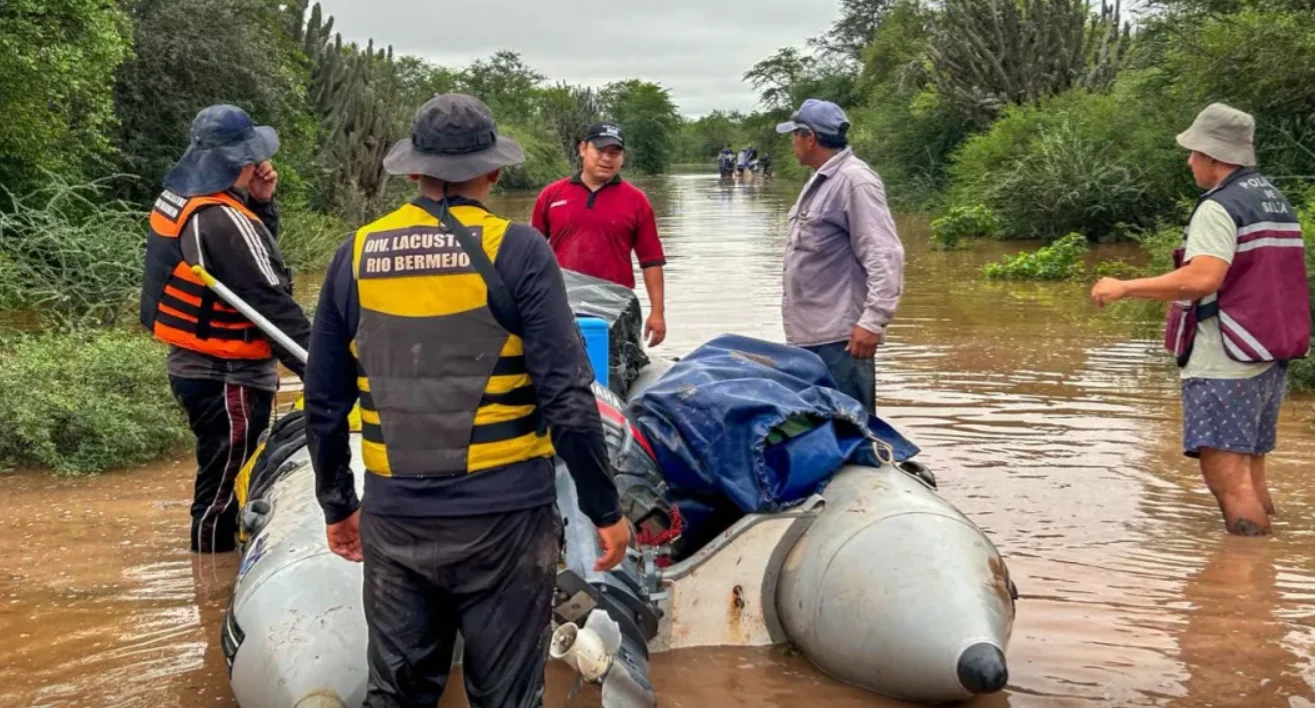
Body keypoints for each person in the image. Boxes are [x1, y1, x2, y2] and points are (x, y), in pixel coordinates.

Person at [303, 94, 631, 708]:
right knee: (505, 697)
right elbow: (567, 397)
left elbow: (322, 401)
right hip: (504, 523)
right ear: (495, 172)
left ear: (414, 171)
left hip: (395, 518)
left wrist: (337, 503)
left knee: (397, 694)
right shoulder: (522, 250)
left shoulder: (356, 254)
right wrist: (603, 507)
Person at [1091, 103, 1310, 537]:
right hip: (1267, 349)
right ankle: (1268, 565)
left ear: (1213, 156)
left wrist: (1125, 288)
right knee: (1250, 466)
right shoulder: (1272, 199)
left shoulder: (1219, 207)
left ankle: (1246, 584)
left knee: (1226, 474)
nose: (1190, 160)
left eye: (1193, 152)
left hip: (1225, 355)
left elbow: (1203, 277)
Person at [139, 104, 310, 554]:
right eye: (251, 157)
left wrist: (262, 202)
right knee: (221, 491)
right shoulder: (220, 218)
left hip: (196, 367)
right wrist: (324, 369)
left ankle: (214, 562)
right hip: (226, 375)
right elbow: (272, 304)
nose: (259, 164)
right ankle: (211, 581)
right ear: (236, 162)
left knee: (219, 477)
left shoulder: (183, 200)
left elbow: (254, 263)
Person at [777, 98, 905, 414]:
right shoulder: (820, 180)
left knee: (851, 430)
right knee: (821, 429)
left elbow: (884, 253)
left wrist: (873, 322)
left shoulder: (854, 181)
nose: (792, 141)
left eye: (795, 134)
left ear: (809, 137)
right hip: (811, 334)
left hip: (842, 339)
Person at [532, 122, 668, 346]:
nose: (607, 158)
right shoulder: (552, 194)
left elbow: (651, 261)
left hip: (615, 305)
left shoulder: (636, 201)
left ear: (622, 158)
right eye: (600, 151)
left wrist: (657, 313)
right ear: (583, 149)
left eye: (614, 153)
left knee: (612, 368)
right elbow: (530, 255)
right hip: (560, 302)